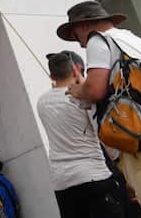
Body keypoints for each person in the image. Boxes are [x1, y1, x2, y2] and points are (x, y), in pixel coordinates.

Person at [61, 0, 141, 214]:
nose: (79, 43)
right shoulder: (133, 40)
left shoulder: (99, 40)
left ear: (84, 25)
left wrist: (78, 90)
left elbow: (95, 90)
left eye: (75, 33)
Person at [36, 50, 123, 217]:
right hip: (93, 175)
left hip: (62, 182)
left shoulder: (42, 102)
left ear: (51, 76)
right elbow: (104, 136)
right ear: (77, 70)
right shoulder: (84, 98)